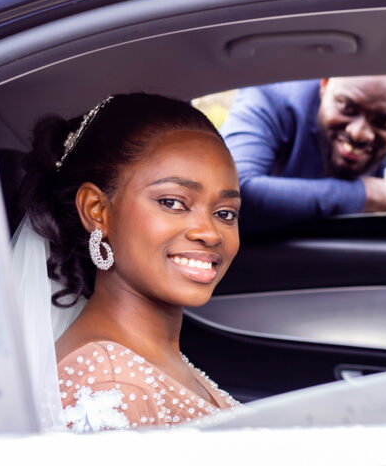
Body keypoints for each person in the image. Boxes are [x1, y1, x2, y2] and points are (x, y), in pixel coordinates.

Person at [15, 93, 242, 431]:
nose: (210, 233)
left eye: (225, 213)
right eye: (173, 202)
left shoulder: (146, 358)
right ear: (97, 210)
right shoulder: (108, 383)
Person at [221, 76, 386, 233]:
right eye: (347, 107)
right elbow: (230, 192)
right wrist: (370, 195)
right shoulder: (271, 100)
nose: (359, 133)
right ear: (325, 84)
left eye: (384, 121)